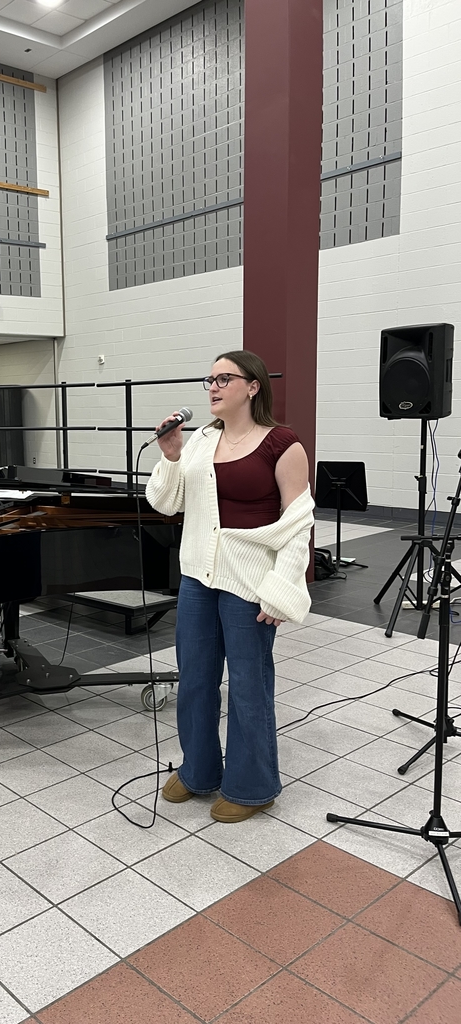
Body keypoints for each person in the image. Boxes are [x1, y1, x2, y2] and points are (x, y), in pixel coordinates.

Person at [146, 350, 314, 823]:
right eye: (210, 379)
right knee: (195, 678)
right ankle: (198, 770)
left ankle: (252, 785)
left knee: (248, 685)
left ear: (253, 386)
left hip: (249, 581)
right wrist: (172, 456)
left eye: (225, 378)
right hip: (198, 577)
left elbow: (299, 522)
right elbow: (165, 502)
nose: (214, 387)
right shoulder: (200, 439)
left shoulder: (283, 444)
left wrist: (282, 588)